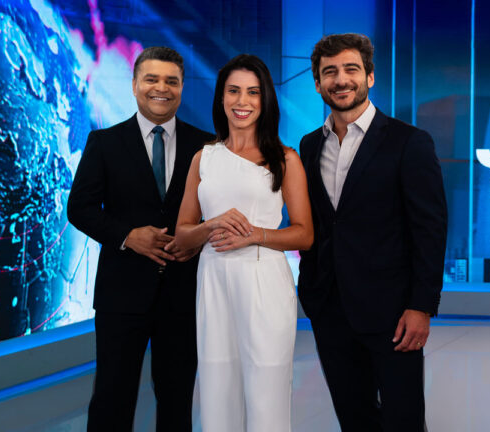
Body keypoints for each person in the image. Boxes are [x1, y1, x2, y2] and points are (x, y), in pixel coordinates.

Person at [297, 33, 448, 431]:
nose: (340, 80)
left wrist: (421, 306)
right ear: (317, 83)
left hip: (393, 314)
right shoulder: (309, 145)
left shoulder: (409, 142)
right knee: (354, 418)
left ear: (370, 76)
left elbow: (429, 229)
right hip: (329, 309)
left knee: (403, 420)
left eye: (351, 69)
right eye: (329, 72)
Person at [67, 46, 214, 431]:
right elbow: (79, 208)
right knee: (112, 399)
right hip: (121, 295)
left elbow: (215, 211)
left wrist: (197, 237)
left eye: (171, 81)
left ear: (182, 87)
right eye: (151, 79)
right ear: (135, 85)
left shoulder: (209, 146)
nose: (161, 88)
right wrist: (127, 236)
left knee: (177, 399)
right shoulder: (105, 142)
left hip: (184, 295)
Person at [174, 54, 313, 432]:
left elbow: (304, 233)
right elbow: (182, 235)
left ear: (265, 100)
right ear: (221, 98)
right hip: (214, 279)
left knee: (266, 388)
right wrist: (211, 225)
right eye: (234, 91)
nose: (243, 101)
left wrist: (257, 234)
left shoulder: (285, 160)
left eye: (253, 92)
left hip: (263, 281)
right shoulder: (203, 158)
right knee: (217, 388)